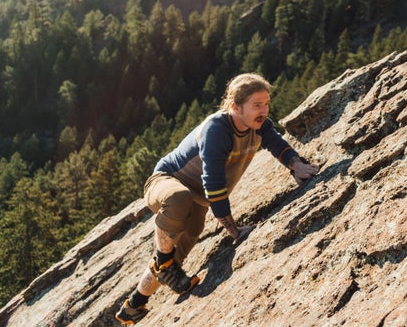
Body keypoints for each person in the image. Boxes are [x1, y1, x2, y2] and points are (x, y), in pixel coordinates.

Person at [116, 73, 320, 324]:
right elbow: (213, 183)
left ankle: (134, 305)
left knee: (171, 262)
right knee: (177, 205)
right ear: (235, 107)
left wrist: (296, 165)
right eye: (257, 105)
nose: (264, 110)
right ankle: (163, 259)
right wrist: (233, 231)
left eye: (266, 103)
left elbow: (277, 144)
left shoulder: (259, 125)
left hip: (197, 202)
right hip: (166, 182)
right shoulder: (217, 129)